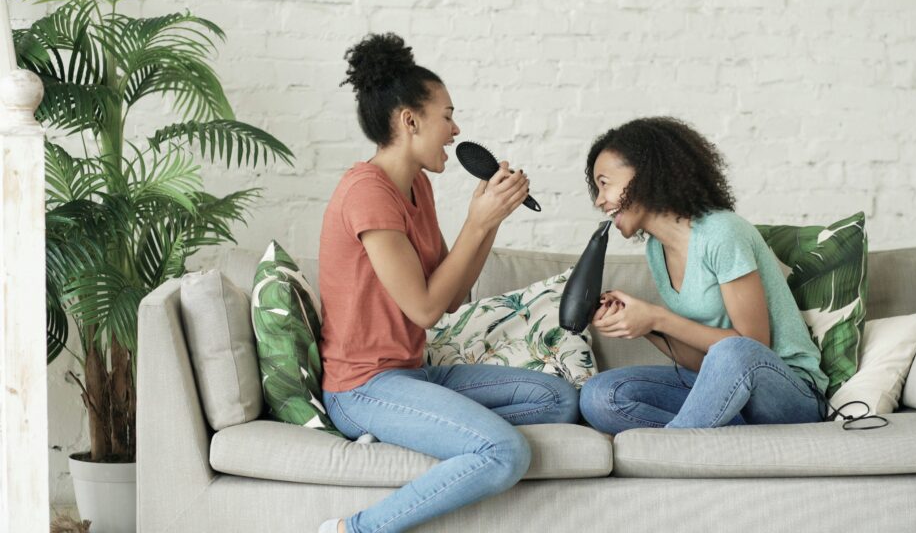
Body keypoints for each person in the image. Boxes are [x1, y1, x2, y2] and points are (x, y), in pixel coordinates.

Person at [317, 33, 578, 533]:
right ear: (409, 120)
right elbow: (424, 310)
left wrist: (493, 218)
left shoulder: (418, 185)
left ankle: (423, 429)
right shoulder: (366, 194)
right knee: (504, 451)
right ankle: (355, 529)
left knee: (559, 399)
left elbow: (452, 296)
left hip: (413, 373)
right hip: (363, 388)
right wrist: (476, 222)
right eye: (447, 115)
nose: (455, 130)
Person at [578, 116, 827, 434]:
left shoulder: (722, 232)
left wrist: (657, 318)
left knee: (732, 351)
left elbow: (751, 348)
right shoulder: (657, 249)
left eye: (604, 183)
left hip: (788, 391)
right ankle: (717, 429)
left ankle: (671, 449)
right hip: (721, 388)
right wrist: (642, 325)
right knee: (601, 395)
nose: (599, 200)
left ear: (646, 174)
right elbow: (704, 363)